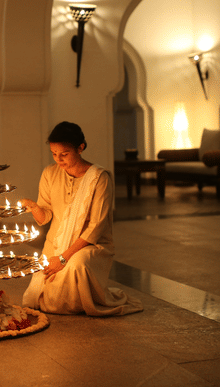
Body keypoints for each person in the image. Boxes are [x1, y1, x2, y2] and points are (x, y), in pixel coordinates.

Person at [20, 121, 143, 316]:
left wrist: (62, 258)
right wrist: (35, 207)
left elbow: (96, 227)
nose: (58, 160)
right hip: (56, 240)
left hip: (90, 244)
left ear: (80, 148)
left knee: (75, 266)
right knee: (46, 296)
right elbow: (45, 218)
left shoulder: (99, 178)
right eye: (54, 154)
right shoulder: (50, 173)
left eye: (64, 154)